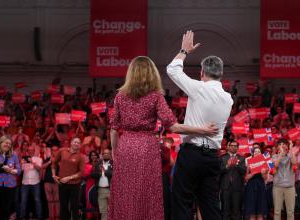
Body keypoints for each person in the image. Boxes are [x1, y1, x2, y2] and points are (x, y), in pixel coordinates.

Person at [108, 55, 219, 220]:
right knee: (147, 194)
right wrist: (202, 130)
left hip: (125, 148)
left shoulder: (120, 96)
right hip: (147, 147)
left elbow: (114, 129)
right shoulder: (155, 96)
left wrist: (115, 152)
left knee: (125, 193)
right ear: (152, 73)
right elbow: (173, 126)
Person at [167, 30, 233, 220]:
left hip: (191, 155)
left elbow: (172, 70)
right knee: (211, 206)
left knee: (182, 203)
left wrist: (184, 51)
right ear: (221, 74)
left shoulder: (198, 88)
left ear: (202, 72)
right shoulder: (228, 99)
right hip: (213, 157)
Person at [51, 137, 86, 220]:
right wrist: (53, 175)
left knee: (74, 206)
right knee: (63, 206)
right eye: (75, 142)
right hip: (62, 184)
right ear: (71, 143)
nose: (76, 144)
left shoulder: (81, 157)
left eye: (78, 143)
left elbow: (81, 173)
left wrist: (69, 178)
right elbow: (54, 163)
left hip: (75, 185)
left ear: (80, 145)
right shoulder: (62, 151)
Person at [220, 140, 247, 220]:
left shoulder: (242, 158)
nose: (233, 147)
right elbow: (219, 170)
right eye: (231, 145)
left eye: (235, 146)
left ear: (238, 148)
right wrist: (227, 166)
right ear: (228, 147)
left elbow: (244, 171)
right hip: (225, 187)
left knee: (236, 210)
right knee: (225, 210)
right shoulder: (222, 157)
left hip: (237, 188)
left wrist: (236, 165)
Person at [272, 139, 297, 220]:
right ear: (277, 147)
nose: (282, 146)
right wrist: (280, 155)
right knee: (277, 211)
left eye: (284, 144)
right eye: (280, 144)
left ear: (287, 146)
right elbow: (275, 165)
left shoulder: (291, 156)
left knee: (290, 211)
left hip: (290, 187)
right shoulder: (274, 156)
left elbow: (294, 162)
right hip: (277, 187)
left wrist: (291, 149)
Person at [244, 145, 269, 220]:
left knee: (260, 212)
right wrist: (253, 172)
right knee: (252, 212)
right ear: (253, 153)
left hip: (260, 186)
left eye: (259, 151)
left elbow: (265, 179)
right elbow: (246, 178)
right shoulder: (249, 163)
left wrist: (263, 173)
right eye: (255, 151)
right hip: (251, 187)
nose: (257, 153)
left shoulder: (264, 164)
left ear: (261, 153)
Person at [20, 145, 43, 220]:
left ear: (34, 151)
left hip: (35, 182)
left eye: (32, 150)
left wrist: (32, 162)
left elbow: (39, 169)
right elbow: (20, 170)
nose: (30, 151)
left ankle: (39, 217)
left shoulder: (38, 159)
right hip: (25, 183)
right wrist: (21, 163)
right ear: (27, 151)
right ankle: (22, 217)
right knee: (23, 201)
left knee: (37, 200)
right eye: (29, 150)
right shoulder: (24, 158)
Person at [91, 148, 113, 220]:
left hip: (111, 190)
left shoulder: (114, 163)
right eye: (104, 153)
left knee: (112, 210)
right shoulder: (98, 163)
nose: (106, 155)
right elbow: (93, 174)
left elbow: (117, 175)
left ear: (110, 155)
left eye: (107, 153)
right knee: (103, 211)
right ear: (102, 155)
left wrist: (107, 172)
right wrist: (99, 173)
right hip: (101, 190)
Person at [42, 145, 60, 220]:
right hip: (47, 182)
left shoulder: (60, 159)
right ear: (51, 151)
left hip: (56, 182)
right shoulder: (48, 159)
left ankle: (58, 216)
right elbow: (42, 167)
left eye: (56, 150)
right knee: (49, 200)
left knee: (57, 200)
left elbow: (63, 167)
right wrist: (50, 161)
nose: (54, 151)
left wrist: (57, 161)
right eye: (53, 150)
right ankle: (51, 216)